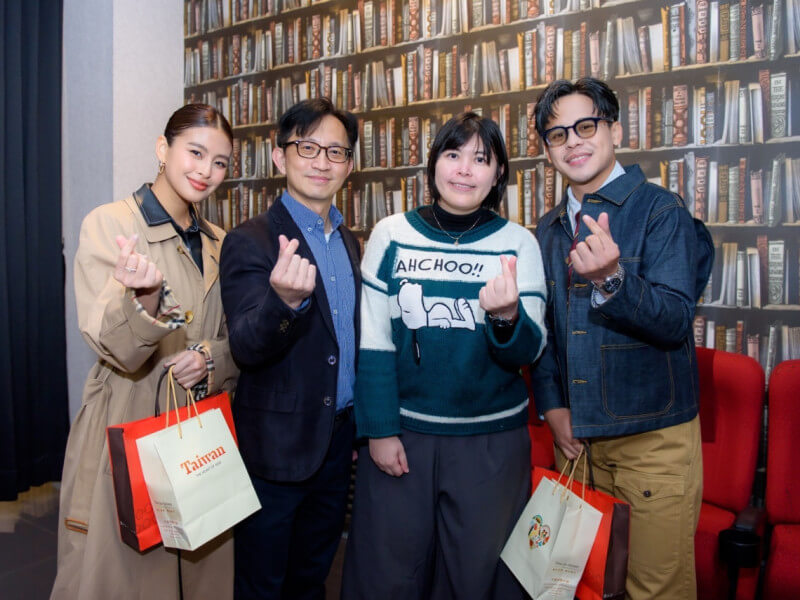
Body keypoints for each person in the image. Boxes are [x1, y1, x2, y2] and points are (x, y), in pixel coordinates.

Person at [341, 112, 547, 600]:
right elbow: (372, 340)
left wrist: (505, 317)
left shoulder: (519, 244)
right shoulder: (391, 234)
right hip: (403, 437)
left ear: (498, 173)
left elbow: (531, 348)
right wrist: (380, 429)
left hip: (490, 444)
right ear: (433, 164)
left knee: (476, 576)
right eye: (453, 155)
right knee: (388, 574)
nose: (464, 170)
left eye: (481, 159)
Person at [530, 78, 713, 600]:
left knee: (655, 589)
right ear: (547, 150)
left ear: (615, 130)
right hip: (578, 442)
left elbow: (675, 321)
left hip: (651, 441)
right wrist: (552, 406)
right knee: (576, 585)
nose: (574, 142)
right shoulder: (547, 229)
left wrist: (613, 281)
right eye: (557, 133)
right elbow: (542, 331)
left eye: (586, 126)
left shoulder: (661, 211)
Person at [51, 104, 238, 600]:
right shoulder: (110, 225)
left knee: (200, 573)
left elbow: (232, 338)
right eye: (195, 153)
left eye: (220, 162)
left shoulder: (218, 241)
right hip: (128, 420)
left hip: (197, 432)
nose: (206, 171)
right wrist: (147, 300)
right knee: (125, 579)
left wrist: (213, 358)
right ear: (163, 149)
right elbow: (113, 345)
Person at [219, 97, 360, 599]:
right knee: (262, 584)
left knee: (311, 578)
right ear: (280, 158)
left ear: (349, 164)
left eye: (336, 152)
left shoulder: (349, 241)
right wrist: (283, 303)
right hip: (275, 451)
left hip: (337, 443)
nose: (322, 161)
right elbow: (246, 347)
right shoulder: (250, 240)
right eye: (308, 147)